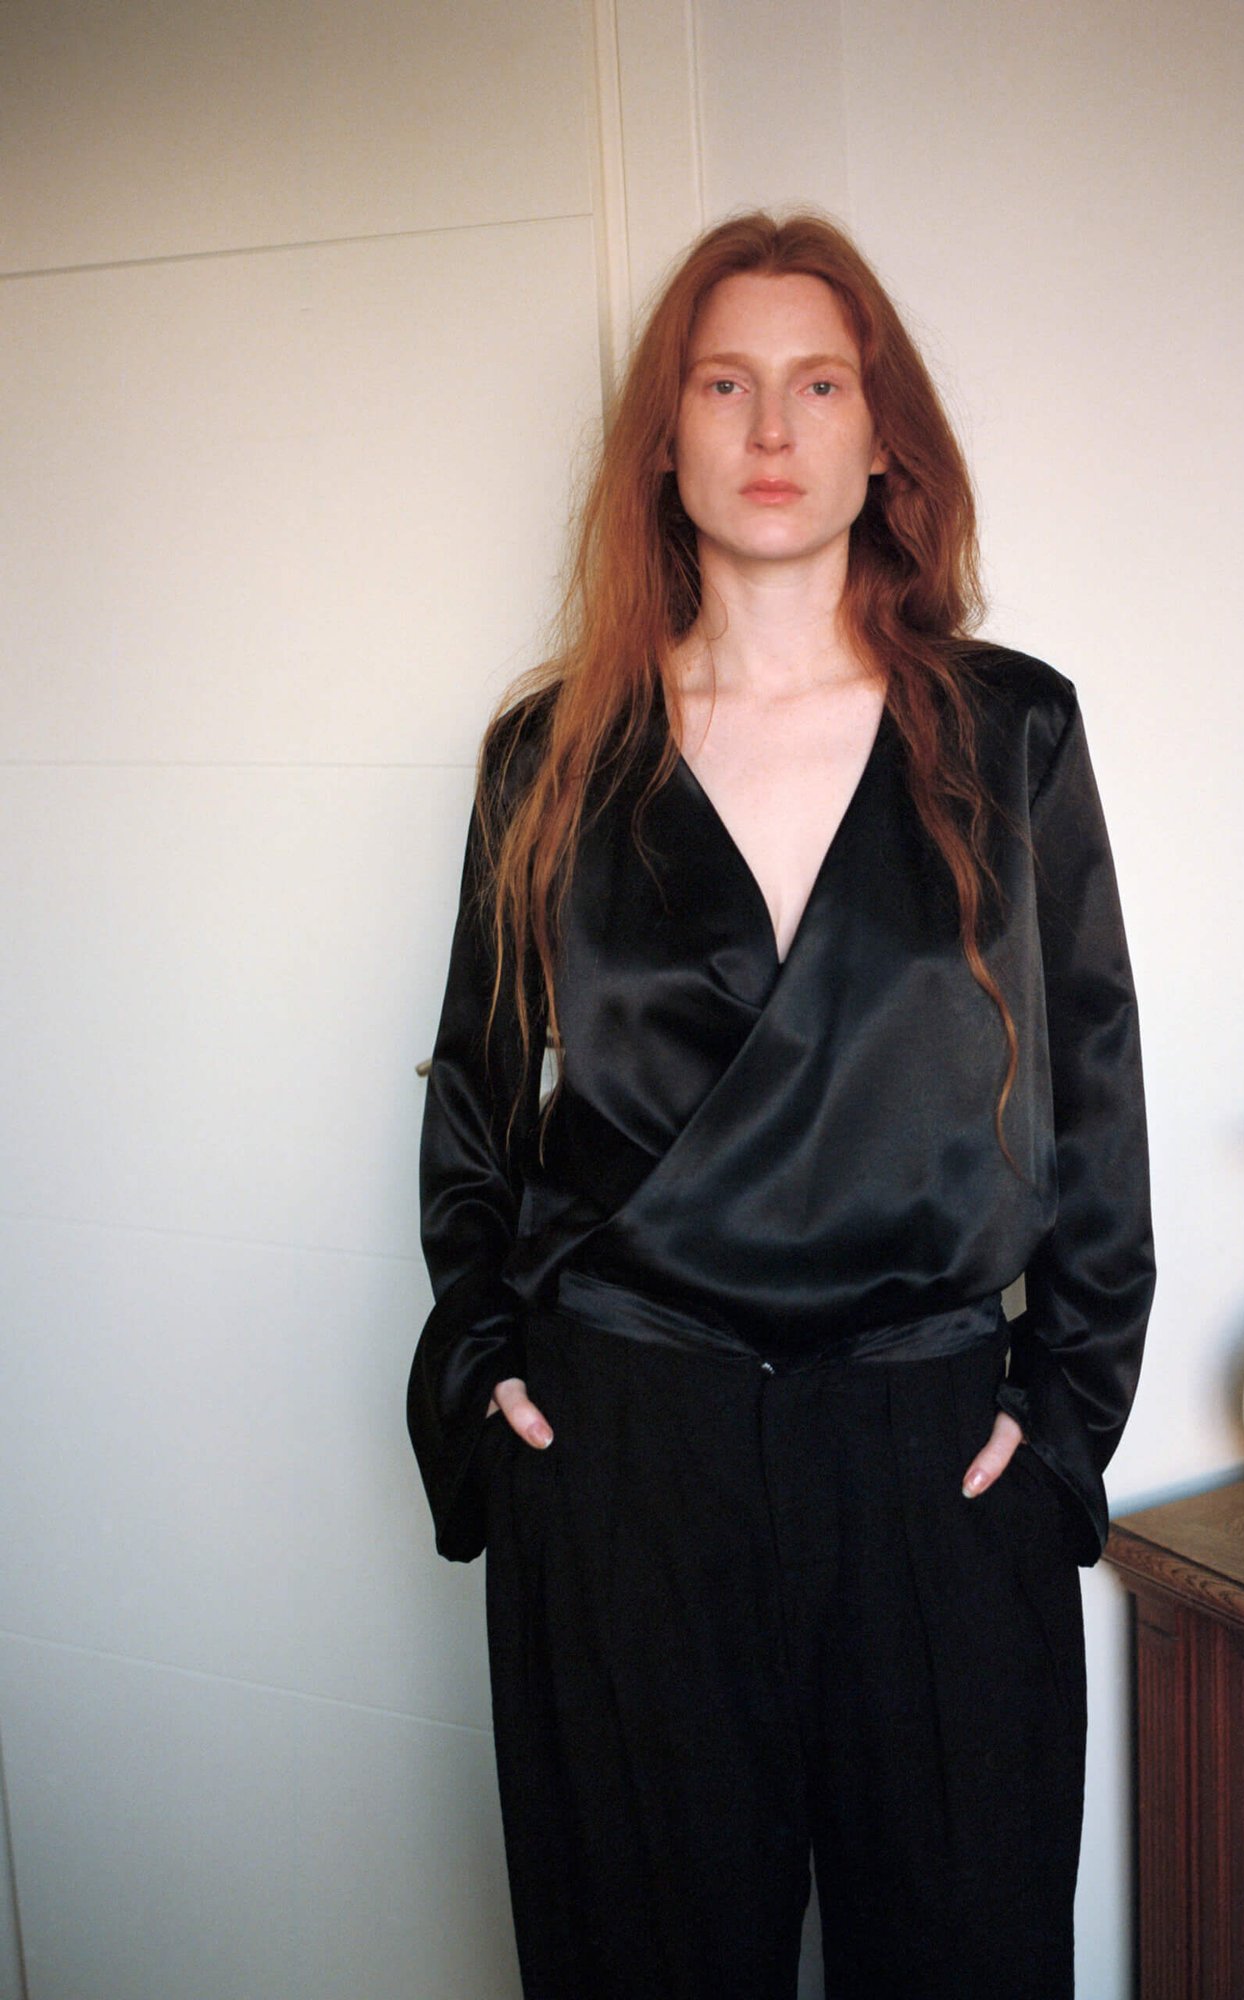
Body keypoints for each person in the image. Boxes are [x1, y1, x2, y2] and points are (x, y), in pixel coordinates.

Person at [407, 210, 1154, 2000]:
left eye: (818, 384)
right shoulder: (552, 756)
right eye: (722, 384)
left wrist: (1061, 1427)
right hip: (631, 1457)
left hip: (930, 1459)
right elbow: (476, 1114)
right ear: (662, 439)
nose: (769, 428)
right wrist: (484, 1364)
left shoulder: (1011, 733)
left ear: (883, 434)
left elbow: (1097, 1108)